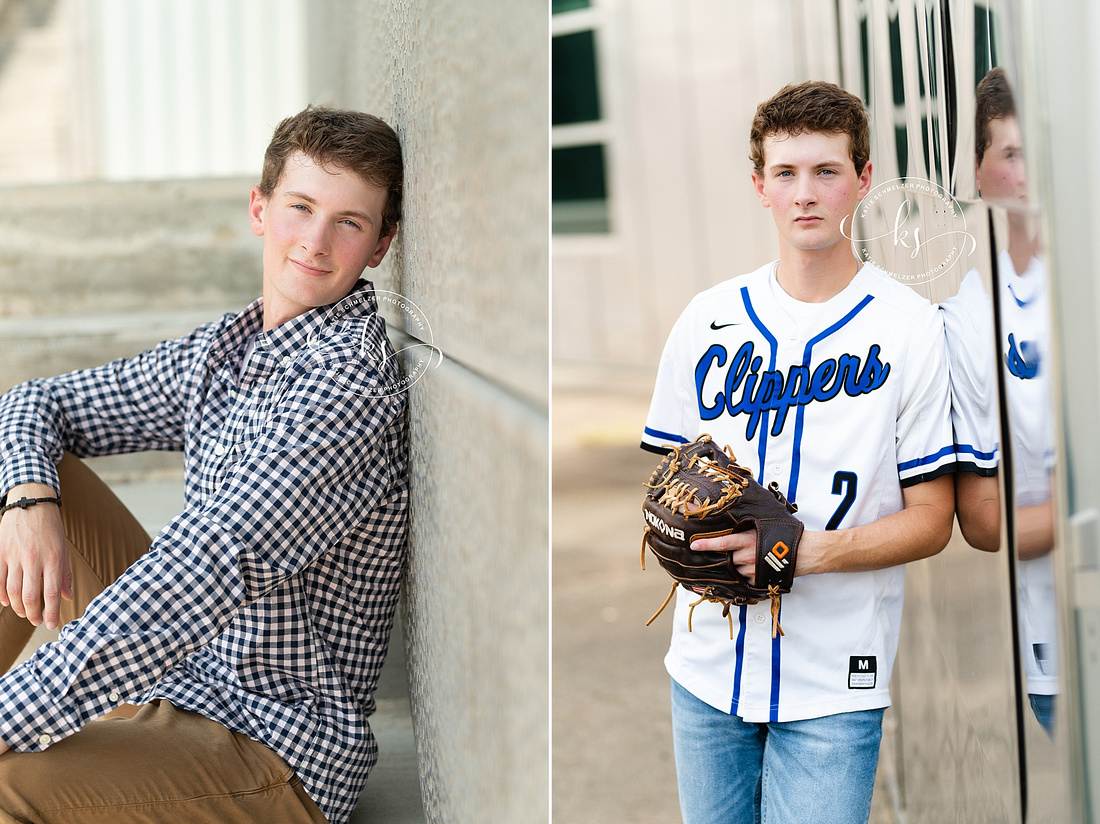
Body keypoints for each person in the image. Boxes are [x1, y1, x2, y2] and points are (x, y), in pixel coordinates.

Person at [0, 106, 409, 824]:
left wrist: (16, 715)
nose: (315, 241)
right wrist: (29, 504)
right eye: (301, 207)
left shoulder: (347, 391)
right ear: (260, 208)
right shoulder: (229, 347)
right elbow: (36, 403)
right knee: (20, 474)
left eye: (348, 222)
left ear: (379, 245)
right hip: (185, 680)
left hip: (272, 753)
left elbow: (197, 573)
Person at [640, 80, 955, 823]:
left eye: (827, 171)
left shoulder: (910, 329)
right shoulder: (707, 319)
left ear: (864, 181)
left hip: (835, 678)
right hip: (706, 670)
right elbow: (667, 479)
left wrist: (800, 552)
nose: (805, 194)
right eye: (785, 173)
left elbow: (933, 519)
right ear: (760, 186)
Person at [941, 66, 1058, 732]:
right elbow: (987, 524)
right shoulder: (970, 313)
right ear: (981, 176)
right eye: (1012, 154)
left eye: (1040, 149)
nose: (1030, 172)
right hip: (1055, 650)